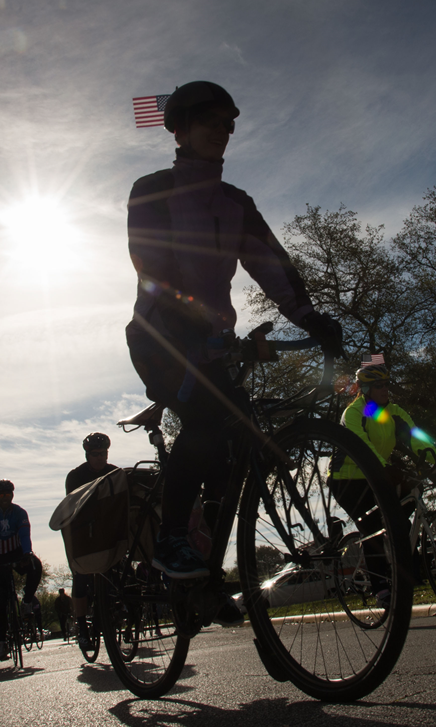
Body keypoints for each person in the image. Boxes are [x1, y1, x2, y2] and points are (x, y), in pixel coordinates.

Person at [125, 81, 343, 587]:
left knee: (239, 446)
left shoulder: (235, 202)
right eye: (209, 121)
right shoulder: (151, 189)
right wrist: (194, 324)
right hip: (160, 338)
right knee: (203, 421)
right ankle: (171, 538)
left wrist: (311, 318)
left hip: (214, 345)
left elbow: (272, 264)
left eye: (228, 124)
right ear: (179, 128)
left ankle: (207, 571)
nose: (221, 132)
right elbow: (152, 269)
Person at [333, 359, 436, 608]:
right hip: (347, 479)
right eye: (379, 385)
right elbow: (362, 447)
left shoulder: (393, 412)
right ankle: (380, 587)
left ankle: (402, 560)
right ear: (366, 389)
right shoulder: (354, 412)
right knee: (371, 527)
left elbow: (416, 436)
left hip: (377, 472)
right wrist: (384, 468)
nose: (385, 389)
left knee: (407, 503)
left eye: (387, 384)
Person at [0, 480, 42, 661]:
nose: (5, 498)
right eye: (1, 495)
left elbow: (24, 535)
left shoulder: (20, 512)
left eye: (8, 495)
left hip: (16, 552)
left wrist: (27, 553)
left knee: (35, 566)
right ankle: (1, 642)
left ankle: (27, 602)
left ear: (12, 495)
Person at [64, 432, 117, 647]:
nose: (100, 458)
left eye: (103, 453)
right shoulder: (75, 476)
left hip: (106, 530)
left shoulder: (114, 472)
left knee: (115, 573)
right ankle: (82, 628)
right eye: (95, 454)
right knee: (81, 577)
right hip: (83, 531)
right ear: (87, 455)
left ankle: (108, 613)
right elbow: (72, 507)